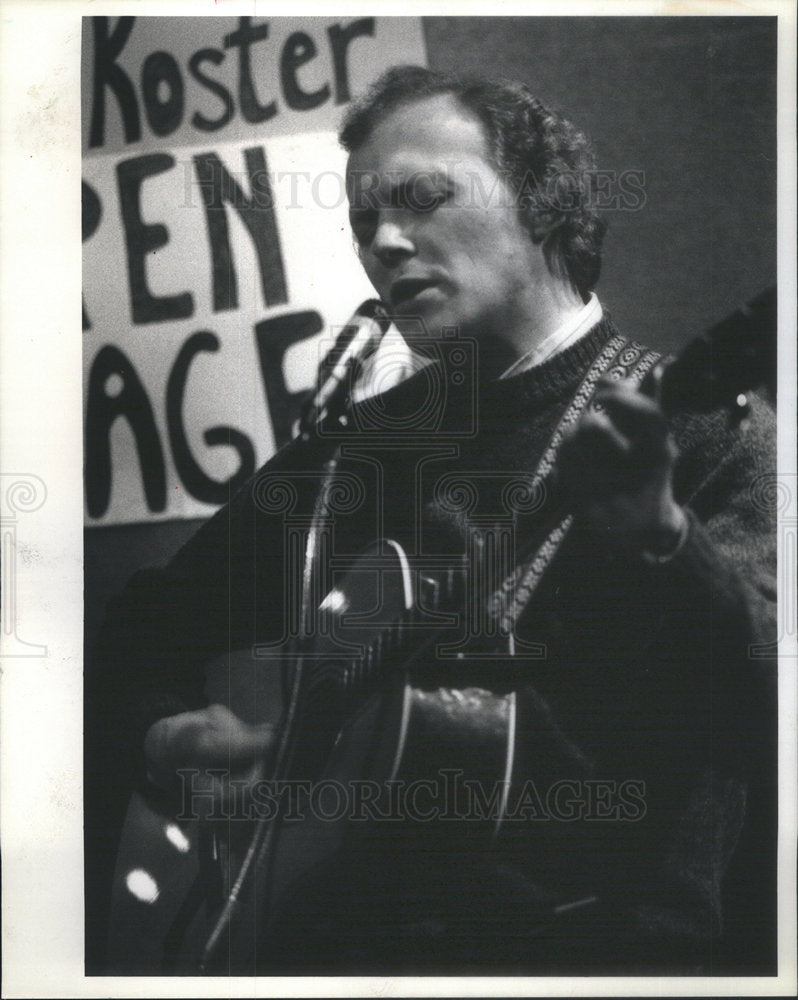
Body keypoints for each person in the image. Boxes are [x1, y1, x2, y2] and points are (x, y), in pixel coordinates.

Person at [90, 66, 777, 975]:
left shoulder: (704, 434)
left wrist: (663, 540)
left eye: (422, 199)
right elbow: (135, 636)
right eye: (363, 219)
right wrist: (167, 740)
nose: (384, 240)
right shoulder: (351, 452)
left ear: (543, 203)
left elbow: (770, 706)